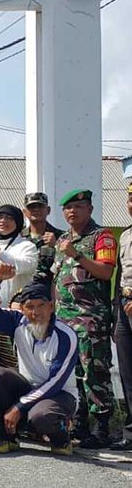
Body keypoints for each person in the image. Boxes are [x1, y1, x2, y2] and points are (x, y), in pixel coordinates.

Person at [0, 264, 79, 456]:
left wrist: (19, 407)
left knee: (41, 417)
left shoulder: (66, 336)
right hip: (28, 388)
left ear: (51, 306)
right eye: (30, 307)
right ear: (22, 309)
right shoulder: (17, 322)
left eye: (41, 306)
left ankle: (62, 437)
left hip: (59, 394)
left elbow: (55, 383)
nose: (36, 312)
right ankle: (7, 437)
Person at [52, 189, 117, 448]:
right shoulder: (62, 240)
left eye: (79, 207)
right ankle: (80, 424)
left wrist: (77, 255)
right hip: (64, 321)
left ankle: (102, 427)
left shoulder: (102, 237)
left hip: (91, 320)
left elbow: (105, 272)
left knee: (95, 373)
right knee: (73, 374)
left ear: (89, 209)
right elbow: (56, 278)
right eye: (68, 208)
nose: (72, 212)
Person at [0, 205, 38, 305]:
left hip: (14, 311)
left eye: (9, 218)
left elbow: (24, 266)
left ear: (18, 222)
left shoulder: (27, 246)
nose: (2, 220)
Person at [113, 184, 132, 451]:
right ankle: (130, 432)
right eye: (130, 199)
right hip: (124, 305)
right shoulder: (126, 235)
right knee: (128, 373)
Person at [22, 192, 64, 284]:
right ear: (24, 212)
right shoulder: (18, 237)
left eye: (40, 206)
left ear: (48, 210)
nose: (36, 210)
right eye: (31, 207)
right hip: (22, 289)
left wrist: (56, 246)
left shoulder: (62, 236)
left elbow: (69, 263)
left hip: (51, 289)